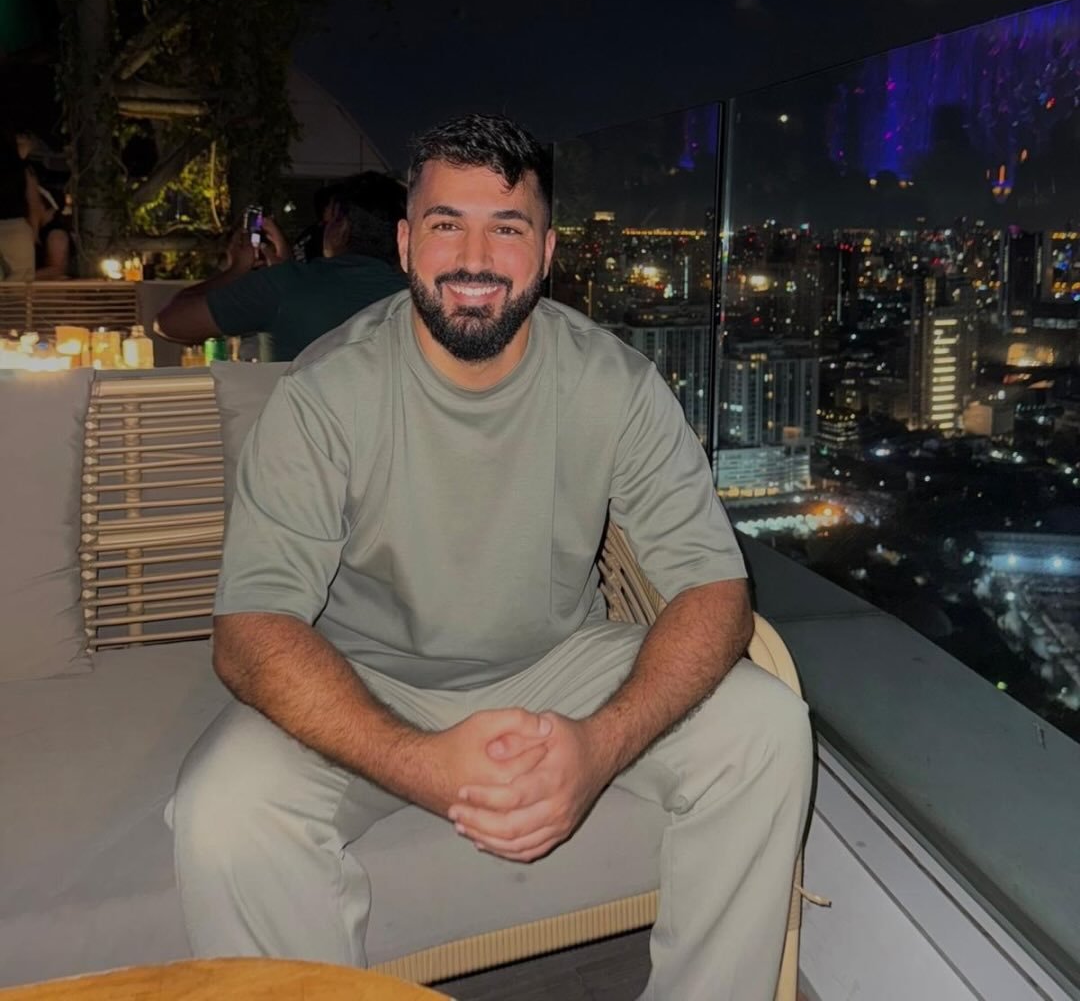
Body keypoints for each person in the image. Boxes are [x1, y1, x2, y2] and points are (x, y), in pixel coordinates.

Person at [171, 114, 812, 1000]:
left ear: (545, 253)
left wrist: (600, 747)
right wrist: (422, 764)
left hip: (562, 663)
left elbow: (714, 589)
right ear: (406, 243)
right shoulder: (325, 393)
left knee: (766, 729)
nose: (474, 258)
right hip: (368, 675)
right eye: (447, 224)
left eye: (506, 228)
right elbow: (250, 631)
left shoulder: (614, 382)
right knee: (222, 810)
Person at [154, 171, 407, 361]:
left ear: (342, 228)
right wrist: (289, 270)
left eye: (328, 221)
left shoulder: (283, 287)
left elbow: (170, 323)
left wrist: (236, 270)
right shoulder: (415, 295)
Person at [0, 130, 40, 281]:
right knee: (20, 281)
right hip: (15, 227)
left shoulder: (22, 168)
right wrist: (34, 232)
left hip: (15, 226)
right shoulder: (22, 168)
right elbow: (33, 201)